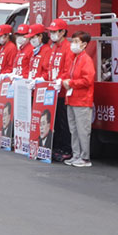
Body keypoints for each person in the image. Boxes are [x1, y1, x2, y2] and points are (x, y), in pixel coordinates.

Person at [64, 31, 96, 168]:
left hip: (82, 100)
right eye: (73, 41)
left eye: (76, 41)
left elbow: (87, 80)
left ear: (84, 44)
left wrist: (70, 83)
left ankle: (85, 157)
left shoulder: (86, 60)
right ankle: (76, 155)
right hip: (71, 99)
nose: (73, 44)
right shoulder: (75, 58)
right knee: (74, 129)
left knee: (83, 130)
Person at [47, 19, 75, 163]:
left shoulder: (67, 48)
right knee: (55, 122)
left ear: (63, 32)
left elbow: (68, 70)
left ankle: (67, 149)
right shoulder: (54, 47)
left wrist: (60, 80)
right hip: (53, 92)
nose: (52, 34)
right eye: (51, 31)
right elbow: (50, 67)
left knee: (64, 123)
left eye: (54, 31)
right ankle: (57, 147)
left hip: (63, 93)